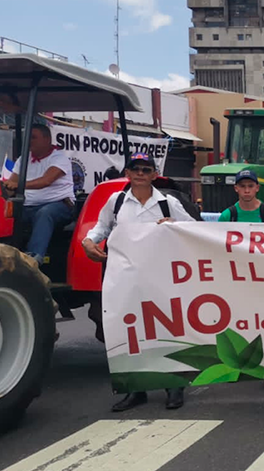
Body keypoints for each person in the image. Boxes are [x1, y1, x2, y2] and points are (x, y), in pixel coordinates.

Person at [82, 153, 195, 412]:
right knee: (130, 332)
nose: (141, 174)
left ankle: (174, 386)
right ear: (128, 173)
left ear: (154, 175)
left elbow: (193, 228)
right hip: (126, 277)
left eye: (146, 169)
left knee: (167, 330)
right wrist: (88, 241)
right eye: (136, 169)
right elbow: (101, 228)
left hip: (161, 276)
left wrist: (175, 224)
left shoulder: (168, 203)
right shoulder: (117, 201)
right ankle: (135, 390)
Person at [218, 170, 264, 391]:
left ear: (257, 188)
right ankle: (238, 366)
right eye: (242, 186)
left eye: (250, 186)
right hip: (237, 277)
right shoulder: (227, 216)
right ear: (236, 188)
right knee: (239, 322)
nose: (246, 190)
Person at [2, 124, 75, 265]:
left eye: (34, 137)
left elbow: (46, 181)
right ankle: (4, 256)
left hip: (60, 206)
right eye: (28, 137)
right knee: (6, 211)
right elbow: (12, 183)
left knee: (45, 213)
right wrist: (6, 188)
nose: (29, 141)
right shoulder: (23, 159)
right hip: (28, 207)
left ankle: (33, 258)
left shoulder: (59, 158)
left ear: (47, 139)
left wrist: (19, 186)